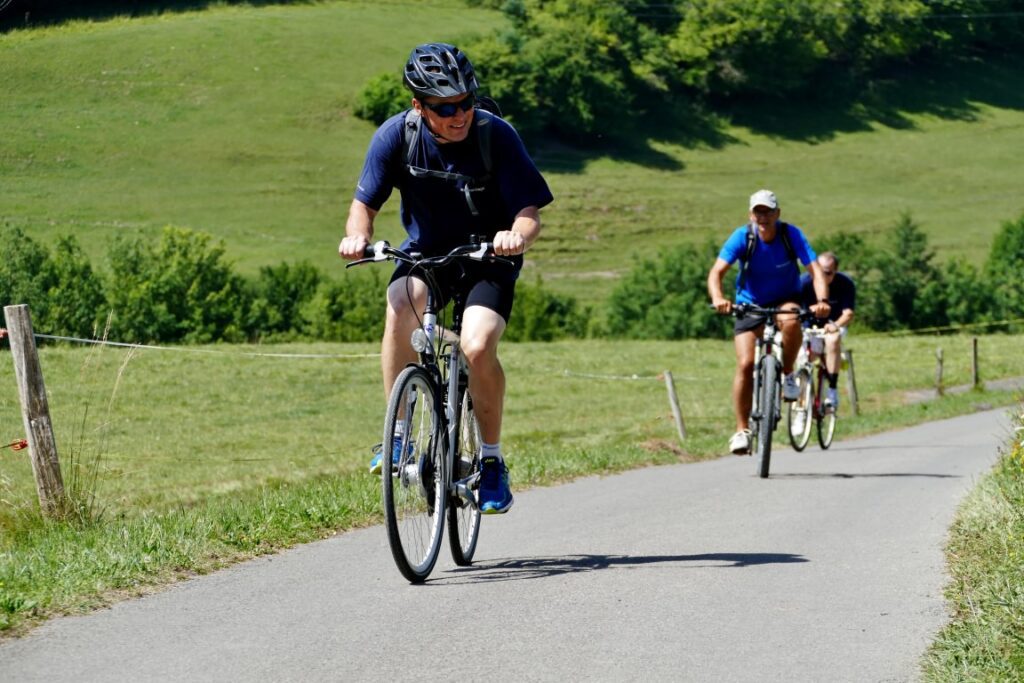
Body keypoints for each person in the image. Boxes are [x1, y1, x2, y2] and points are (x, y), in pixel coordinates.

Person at [338, 43, 553, 514]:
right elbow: (363, 206)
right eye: (445, 107)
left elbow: (529, 213)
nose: (459, 114)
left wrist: (517, 237)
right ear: (420, 105)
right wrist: (358, 237)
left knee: (477, 347)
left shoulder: (495, 135)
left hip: (487, 256)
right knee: (400, 301)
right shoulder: (396, 136)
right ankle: (397, 437)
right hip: (427, 254)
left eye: (466, 101)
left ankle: (492, 463)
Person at [707, 189, 831, 455]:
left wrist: (822, 301)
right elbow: (717, 272)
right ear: (751, 214)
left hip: (785, 297)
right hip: (749, 303)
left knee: (791, 320)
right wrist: (719, 298)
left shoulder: (790, 235)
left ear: (777, 213)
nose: (762, 216)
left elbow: (815, 270)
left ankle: (787, 374)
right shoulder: (743, 236)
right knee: (745, 364)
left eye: (767, 211)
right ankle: (741, 431)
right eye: (757, 211)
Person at [799, 251, 855, 410]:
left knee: (833, 340)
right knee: (804, 358)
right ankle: (802, 404)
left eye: (827, 273)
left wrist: (836, 325)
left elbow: (848, 313)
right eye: (818, 271)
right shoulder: (803, 283)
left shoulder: (845, 284)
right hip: (809, 327)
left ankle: (832, 389)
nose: (822, 276)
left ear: (835, 272)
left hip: (833, 325)